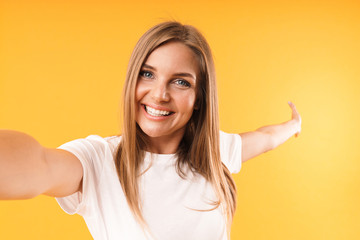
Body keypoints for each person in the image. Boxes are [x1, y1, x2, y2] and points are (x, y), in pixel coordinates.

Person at [0, 21, 301, 240]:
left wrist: (292, 126)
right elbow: (36, 165)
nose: (159, 95)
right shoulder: (98, 161)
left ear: (200, 99)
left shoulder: (214, 152)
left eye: (181, 81)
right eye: (147, 74)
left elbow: (265, 138)